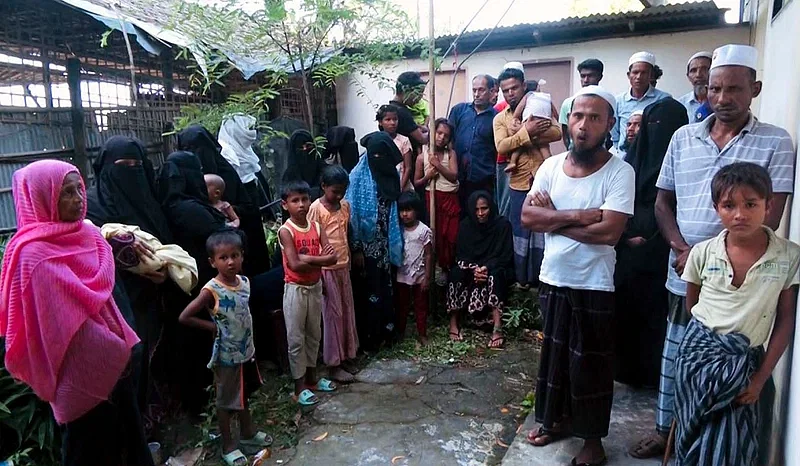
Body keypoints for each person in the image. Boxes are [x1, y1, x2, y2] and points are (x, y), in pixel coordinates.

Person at [629, 44, 796, 460]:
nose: (722, 99)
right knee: (680, 357)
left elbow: (773, 214)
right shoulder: (683, 137)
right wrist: (682, 248)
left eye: (734, 89)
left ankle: (713, 442)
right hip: (685, 268)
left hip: (743, 281)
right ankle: (667, 429)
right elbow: (663, 201)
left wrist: (716, 248)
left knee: (732, 365)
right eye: (715, 89)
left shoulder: (776, 142)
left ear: (754, 89)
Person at [0, 160, 152, 466]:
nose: (78, 199)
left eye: (79, 189)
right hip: (76, 371)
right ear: (42, 199)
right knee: (85, 448)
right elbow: (52, 325)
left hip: (116, 360)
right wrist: (108, 347)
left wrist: (114, 347)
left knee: (131, 439)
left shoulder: (88, 234)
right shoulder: (32, 254)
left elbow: (108, 296)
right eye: (66, 193)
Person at [522, 85, 635, 466]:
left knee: (591, 363)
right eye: (577, 116)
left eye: (594, 118)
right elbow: (527, 217)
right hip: (554, 277)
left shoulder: (620, 172)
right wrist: (578, 215)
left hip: (594, 283)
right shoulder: (550, 167)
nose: (584, 125)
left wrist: (553, 220)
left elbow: (610, 232)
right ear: (567, 121)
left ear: (609, 125)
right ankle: (556, 420)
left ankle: (593, 442)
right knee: (554, 358)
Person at [674, 163, 800, 465]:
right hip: (698, 360)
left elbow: (785, 320)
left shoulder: (787, 256)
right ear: (716, 207)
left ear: (768, 206)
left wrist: (759, 379)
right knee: (694, 434)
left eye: (751, 204)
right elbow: (693, 307)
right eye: (729, 205)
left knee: (729, 444)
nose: (740, 214)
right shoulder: (703, 253)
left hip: (747, 366)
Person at [85, 136, 174, 414]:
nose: (132, 171)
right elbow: (91, 253)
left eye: (137, 165)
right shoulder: (91, 205)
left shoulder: (149, 198)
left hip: (159, 291)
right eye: (124, 166)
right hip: (120, 298)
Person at [178, 230, 272, 466]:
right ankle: (228, 444)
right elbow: (185, 317)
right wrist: (213, 327)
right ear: (212, 261)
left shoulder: (244, 282)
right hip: (226, 355)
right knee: (225, 400)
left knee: (243, 395)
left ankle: (248, 434)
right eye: (223, 257)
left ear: (242, 256)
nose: (230, 261)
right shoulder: (211, 290)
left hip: (245, 350)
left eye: (235, 255)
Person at [614, 98, 688, 388]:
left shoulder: (684, 165)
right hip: (630, 257)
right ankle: (626, 371)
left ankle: (656, 375)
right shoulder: (629, 165)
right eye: (653, 126)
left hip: (666, 257)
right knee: (628, 313)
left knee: (659, 319)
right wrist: (625, 236)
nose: (658, 134)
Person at [157, 150, 228, 413]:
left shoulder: (164, 204)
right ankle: (208, 403)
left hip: (181, 286)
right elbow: (224, 237)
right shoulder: (190, 209)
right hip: (203, 283)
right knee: (202, 344)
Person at [494, 66, 561, 287]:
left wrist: (523, 133)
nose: (510, 93)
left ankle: (540, 278)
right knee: (520, 229)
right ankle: (520, 278)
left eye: (514, 88)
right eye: (505, 90)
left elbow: (557, 131)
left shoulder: (538, 106)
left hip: (543, 180)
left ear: (524, 86)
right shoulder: (501, 119)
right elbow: (502, 146)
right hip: (518, 182)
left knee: (542, 229)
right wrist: (528, 132)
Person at [178, 125, 270, 276]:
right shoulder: (186, 177)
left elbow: (248, 208)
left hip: (238, 248)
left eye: (200, 148)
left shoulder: (226, 173)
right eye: (189, 148)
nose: (197, 154)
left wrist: (227, 211)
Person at [278, 180, 339, 405]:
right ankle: (299, 386)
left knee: (314, 334)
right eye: (295, 201)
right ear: (286, 205)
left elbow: (333, 257)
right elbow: (294, 264)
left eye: (304, 199)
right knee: (296, 338)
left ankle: (313, 379)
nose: (301, 205)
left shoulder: (316, 226)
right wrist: (318, 260)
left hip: (315, 287)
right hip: (296, 289)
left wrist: (309, 259)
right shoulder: (286, 231)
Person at [346, 132, 404, 350]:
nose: (378, 158)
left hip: (386, 244)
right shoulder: (357, 177)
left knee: (386, 287)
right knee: (367, 290)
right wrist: (357, 248)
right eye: (375, 154)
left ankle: (387, 333)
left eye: (382, 154)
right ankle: (369, 339)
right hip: (365, 247)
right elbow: (350, 216)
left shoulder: (390, 175)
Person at [307, 165, 360, 383]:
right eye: (334, 191)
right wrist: (317, 269)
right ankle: (333, 363)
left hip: (343, 266)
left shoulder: (345, 206)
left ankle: (347, 354)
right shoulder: (315, 209)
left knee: (347, 312)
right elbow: (311, 239)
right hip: (326, 270)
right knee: (332, 316)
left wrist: (354, 251)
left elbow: (347, 231)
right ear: (323, 187)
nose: (339, 196)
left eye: (342, 191)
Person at [447, 191, 513, 348]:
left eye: (484, 208)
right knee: (456, 272)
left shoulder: (502, 225)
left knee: (496, 276)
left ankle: (497, 328)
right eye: (476, 210)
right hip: (471, 269)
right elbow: (461, 255)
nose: (480, 213)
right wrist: (475, 269)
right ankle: (453, 322)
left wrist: (486, 268)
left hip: (493, 268)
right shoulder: (466, 226)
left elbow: (505, 256)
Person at [413, 118, 460, 277]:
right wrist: (428, 176)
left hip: (450, 200)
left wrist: (438, 165)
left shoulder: (450, 154)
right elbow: (417, 183)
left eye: (446, 135)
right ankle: (435, 270)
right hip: (432, 200)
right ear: (433, 133)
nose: (441, 138)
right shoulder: (422, 157)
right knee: (436, 236)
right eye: (439, 133)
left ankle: (449, 269)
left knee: (451, 237)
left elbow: (453, 176)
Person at [449, 74, 499, 210]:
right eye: (474, 90)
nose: (476, 94)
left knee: (482, 214)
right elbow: (449, 139)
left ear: (491, 91)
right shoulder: (459, 111)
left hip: (483, 177)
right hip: (457, 177)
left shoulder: (496, 118)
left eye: (481, 90)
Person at [612, 51, 671, 159]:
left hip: (651, 158)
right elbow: (615, 133)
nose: (638, 77)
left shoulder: (664, 100)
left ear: (651, 75)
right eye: (635, 72)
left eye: (643, 73)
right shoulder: (618, 101)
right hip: (624, 156)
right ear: (628, 75)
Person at [395, 191, 433, 346]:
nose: (405, 214)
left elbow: (429, 255)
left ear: (416, 210)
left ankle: (422, 334)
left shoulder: (423, 231)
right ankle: (400, 333)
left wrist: (428, 277)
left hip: (419, 274)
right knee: (401, 305)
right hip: (401, 274)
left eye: (408, 210)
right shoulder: (398, 230)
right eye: (402, 210)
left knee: (421, 306)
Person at [217, 114, 269, 207]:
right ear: (237, 129)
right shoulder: (226, 153)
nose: (251, 131)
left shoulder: (245, 149)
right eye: (247, 127)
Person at [559, 59, 604, 148]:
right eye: (583, 76)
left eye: (590, 76)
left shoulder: (606, 103)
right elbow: (565, 133)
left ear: (599, 77)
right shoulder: (568, 103)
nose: (586, 80)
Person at [505, 92, 554, 173]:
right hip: (543, 122)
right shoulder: (547, 96)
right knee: (544, 148)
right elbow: (553, 110)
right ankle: (550, 167)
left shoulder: (529, 95)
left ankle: (513, 162)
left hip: (529, 120)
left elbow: (520, 107)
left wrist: (515, 118)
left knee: (520, 143)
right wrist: (555, 118)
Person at [377, 104, 413, 191]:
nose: (392, 123)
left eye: (395, 119)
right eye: (388, 120)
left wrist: (400, 187)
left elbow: (408, 167)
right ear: (380, 122)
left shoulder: (404, 140)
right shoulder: (377, 141)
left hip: (402, 185)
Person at [283, 129, 326, 201]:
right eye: (300, 147)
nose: (305, 150)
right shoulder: (289, 176)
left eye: (308, 146)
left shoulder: (324, 170)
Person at [390, 71, 429, 146]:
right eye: (419, 93)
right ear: (407, 90)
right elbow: (422, 139)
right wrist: (434, 132)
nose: (420, 98)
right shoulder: (402, 113)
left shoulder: (391, 108)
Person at [678, 51, 713, 123]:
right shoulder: (680, 105)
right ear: (688, 76)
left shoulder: (723, 102)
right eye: (693, 70)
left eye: (704, 69)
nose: (698, 75)